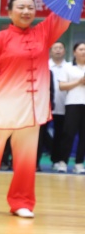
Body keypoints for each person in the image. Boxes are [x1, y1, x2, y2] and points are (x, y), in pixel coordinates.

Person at [0, 0, 71, 217]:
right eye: (21, 7)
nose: (26, 11)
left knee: (26, 158)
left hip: (33, 109)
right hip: (4, 107)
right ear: (9, 12)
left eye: (30, 7)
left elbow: (62, 15)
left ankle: (21, 202)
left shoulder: (43, 33)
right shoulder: (0, 38)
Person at [57, 42, 85, 174]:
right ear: (74, 52)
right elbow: (62, 86)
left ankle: (79, 163)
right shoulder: (67, 67)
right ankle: (63, 162)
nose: (84, 52)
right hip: (72, 103)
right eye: (81, 49)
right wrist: (79, 82)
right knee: (68, 133)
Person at [48, 42, 75, 172]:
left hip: (64, 106)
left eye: (60, 48)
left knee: (60, 134)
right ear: (50, 51)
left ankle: (56, 160)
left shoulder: (70, 67)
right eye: (55, 48)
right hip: (45, 106)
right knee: (41, 135)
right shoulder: (45, 65)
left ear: (64, 51)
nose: (58, 50)